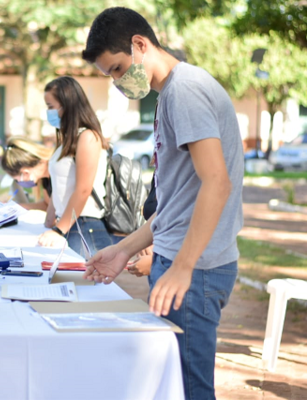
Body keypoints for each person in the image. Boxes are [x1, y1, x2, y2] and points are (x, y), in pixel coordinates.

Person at [82, 7, 243, 399]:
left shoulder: (184, 91)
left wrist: (183, 268)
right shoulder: (173, 92)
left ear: (140, 44)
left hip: (194, 270)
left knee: (189, 389)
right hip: (182, 264)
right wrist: (121, 250)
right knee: (171, 385)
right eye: (110, 76)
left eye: (118, 69)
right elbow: (177, 205)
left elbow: (217, 184)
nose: (118, 82)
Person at [37, 76, 118, 257]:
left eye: (51, 106)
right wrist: (50, 222)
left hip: (84, 226)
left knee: (85, 283)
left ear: (67, 105)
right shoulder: (66, 141)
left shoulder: (88, 137)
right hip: (68, 225)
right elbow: (60, 187)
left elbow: (83, 189)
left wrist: (59, 230)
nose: (48, 112)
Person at [1, 137, 54, 217]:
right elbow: (47, 205)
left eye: (17, 179)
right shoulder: (44, 177)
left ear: (25, 172)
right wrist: (17, 207)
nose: (19, 182)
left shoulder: (57, 169)